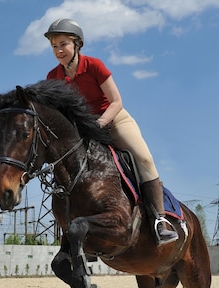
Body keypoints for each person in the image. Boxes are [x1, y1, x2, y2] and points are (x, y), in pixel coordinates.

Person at [44, 18, 179, 245]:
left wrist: (99, 123)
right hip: (83, 130)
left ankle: (160, 221)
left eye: (63, 44)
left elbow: (116, 101)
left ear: (77, 44)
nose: (58, 50)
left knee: (144, 158)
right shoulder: (53, 77)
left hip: (114, 121)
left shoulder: (95, 66)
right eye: (54, 46)